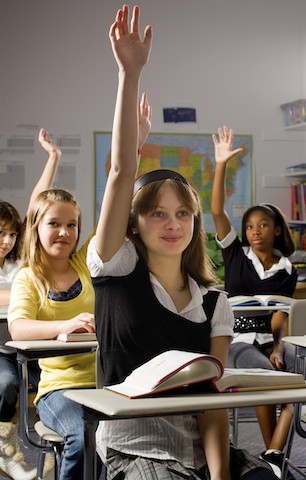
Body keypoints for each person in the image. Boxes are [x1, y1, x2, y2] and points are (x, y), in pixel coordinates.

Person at [87, 5, 278, 479]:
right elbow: (119, 175)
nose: (172, 225)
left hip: (197, 448)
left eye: (182, 214)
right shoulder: (115, 268)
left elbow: (210, 404)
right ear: (134, 224)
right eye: (157, 214)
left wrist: (219, 476)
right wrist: (129, 73)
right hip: (134, 446)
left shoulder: (213, 302)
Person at [211, 126, 298, 479]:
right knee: (265, 374)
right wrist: (221, 165)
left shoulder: (287, 269)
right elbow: (217, 210)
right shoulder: (234, 254)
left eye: (264, 225)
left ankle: (273, 453)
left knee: (300, 376)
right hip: (238, 340)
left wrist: (279, 346)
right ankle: (274, 455)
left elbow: (280, 314)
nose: (255, 231)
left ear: (277, 230)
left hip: (270, 338)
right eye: (250, 226)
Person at [0, 128, 63, 480]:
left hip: (28, 346)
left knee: (60, 381)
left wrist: (52, 159)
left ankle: (38, 449)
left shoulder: (18, 262)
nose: (8, 241)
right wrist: (22, 296)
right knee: (7, 384)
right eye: (0, 233)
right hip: (3, 352)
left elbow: (35, 212)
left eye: (11, 234)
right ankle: (4, 447)